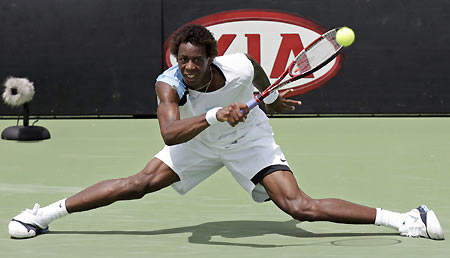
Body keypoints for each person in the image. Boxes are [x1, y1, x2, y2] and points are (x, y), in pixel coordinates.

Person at [8, 24, 444, 240]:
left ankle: (408, 219)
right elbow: (170, 134)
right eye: (183, 59)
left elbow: (255, 71)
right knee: (137, 184)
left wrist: (268, 98)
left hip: (249, 140)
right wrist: (216, 117)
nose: (189, 67)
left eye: (196, 60)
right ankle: (42, 215)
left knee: (299, 207)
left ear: (211, 58)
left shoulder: (235, 65)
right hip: (196, 140)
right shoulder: (169, 83)